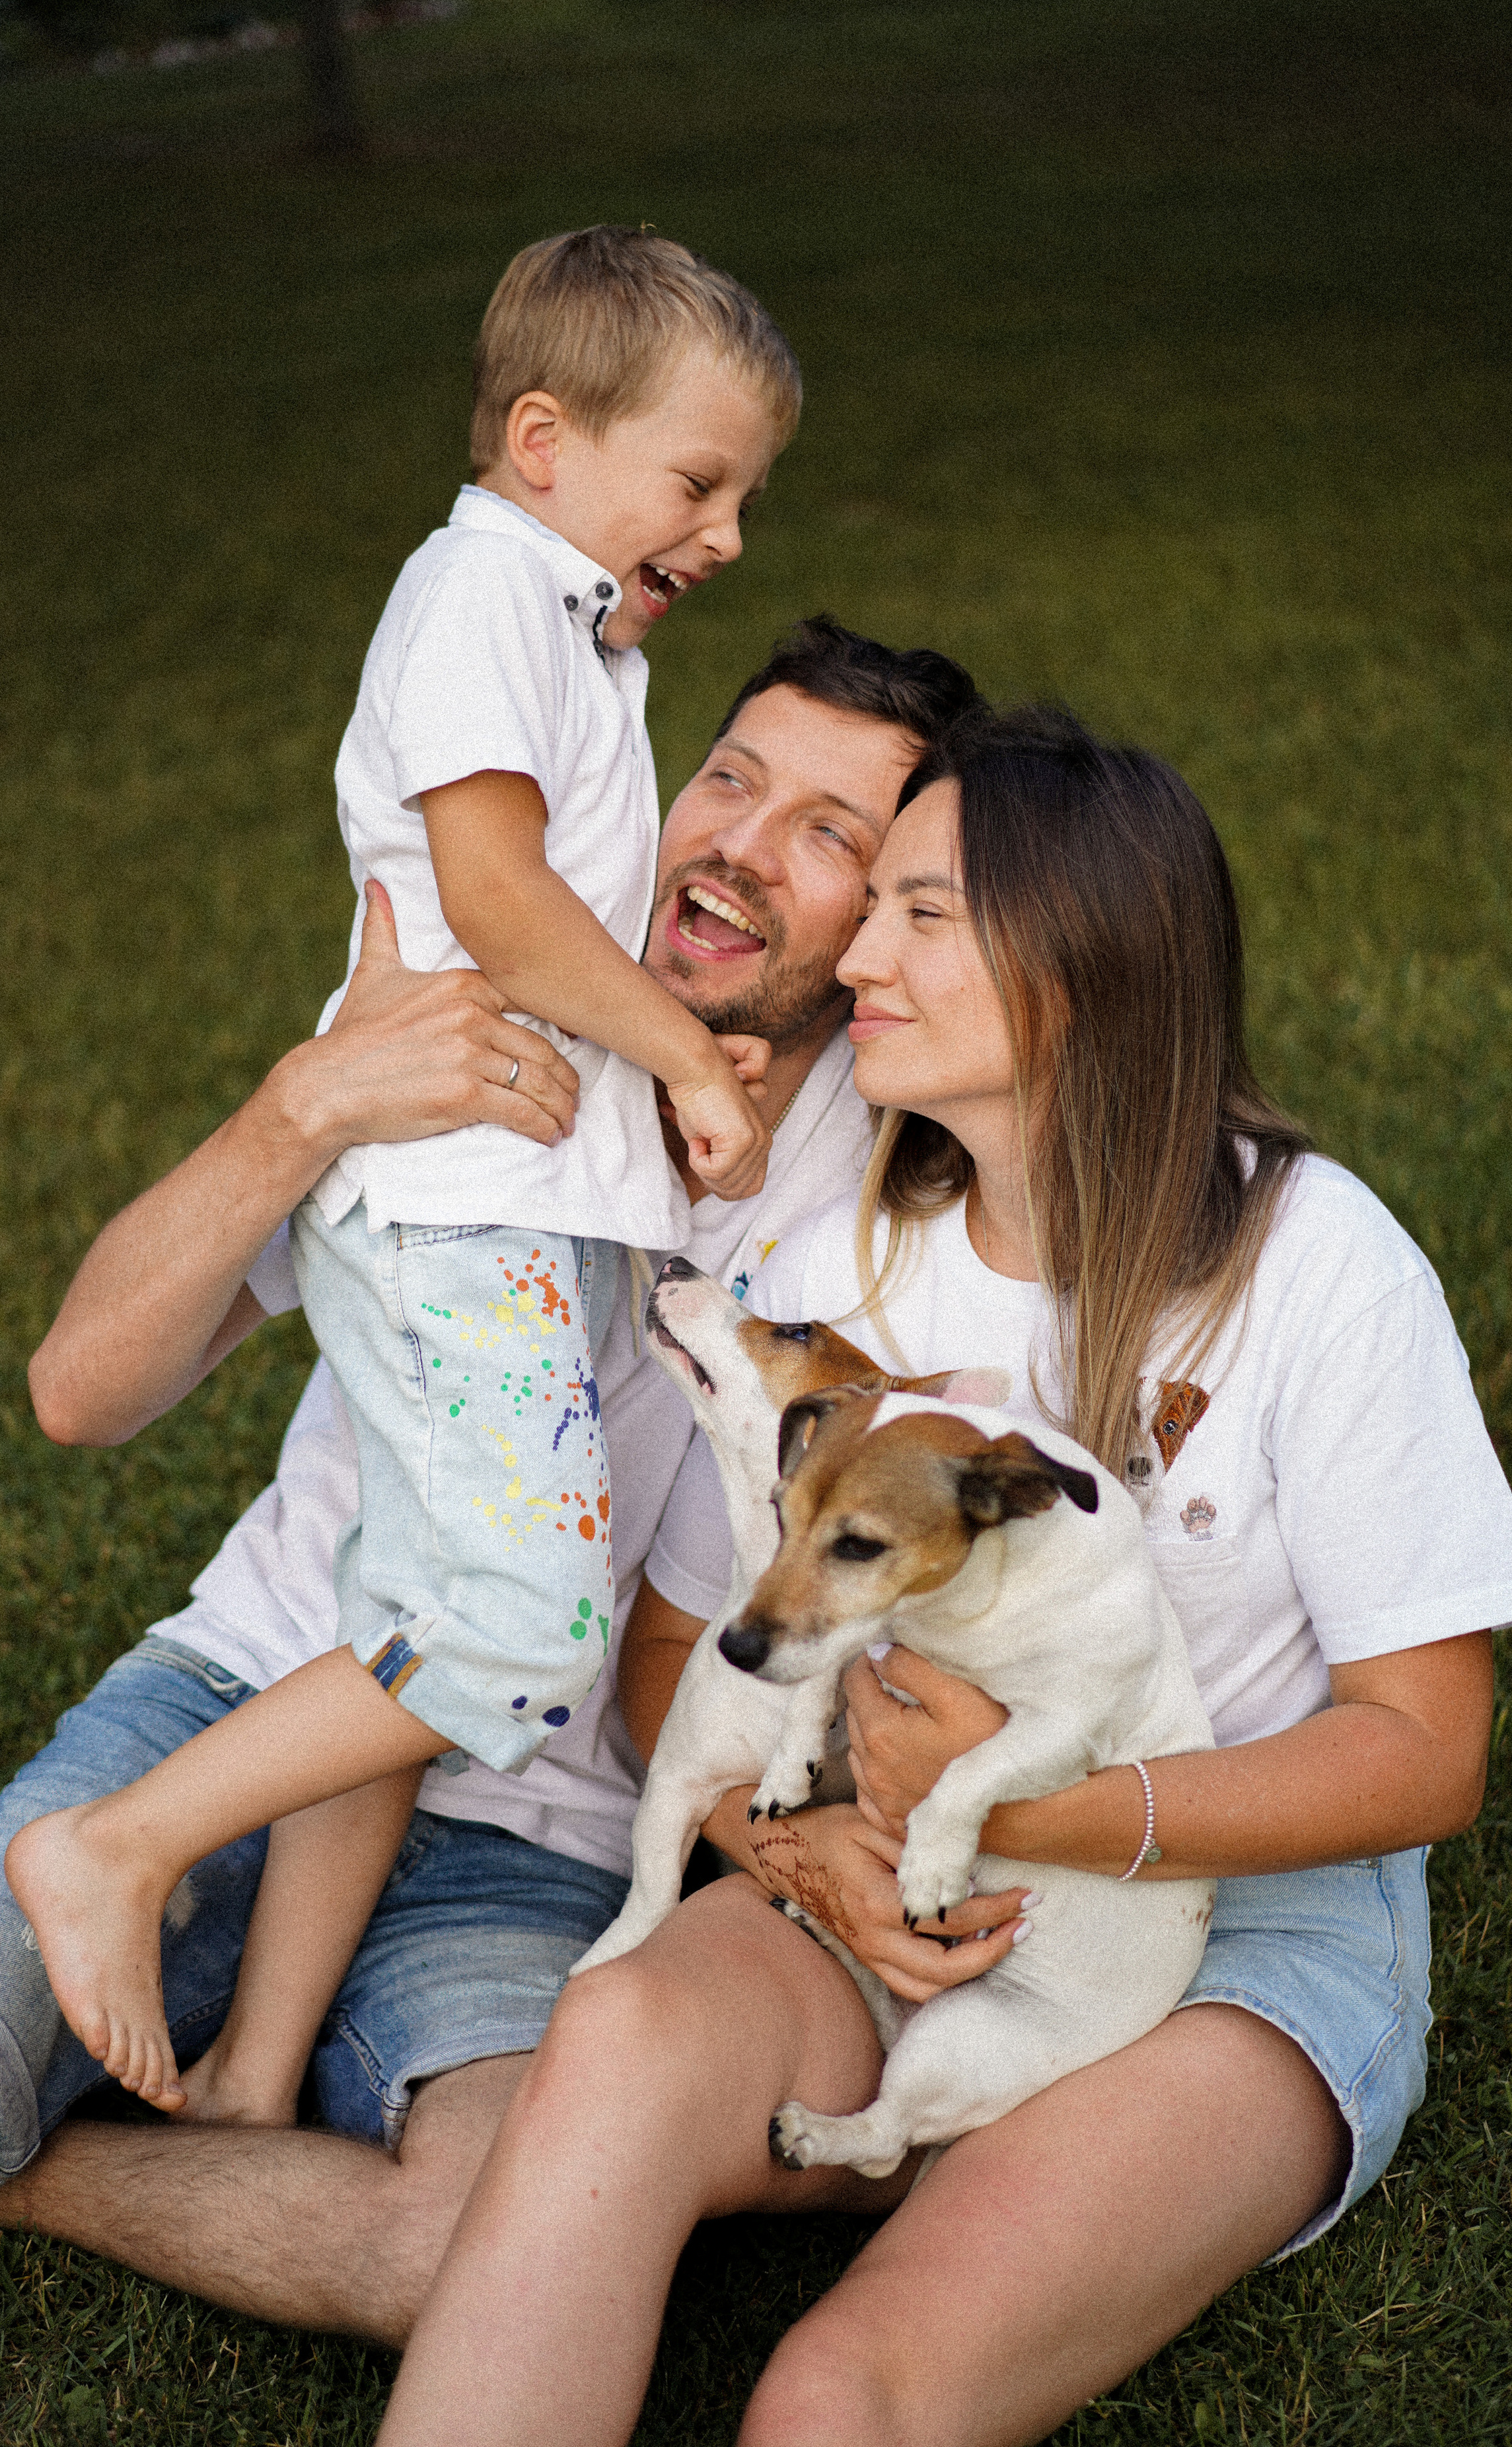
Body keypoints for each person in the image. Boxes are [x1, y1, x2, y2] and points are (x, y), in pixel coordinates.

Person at [0, 618, 983, 2351]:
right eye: (729, 778)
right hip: (255, 1704)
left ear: (888, 922)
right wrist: (308, 1105)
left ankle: (21, 2152)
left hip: (553, 1842)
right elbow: (80, 1389)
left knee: (486, 2252)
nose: (740, 843)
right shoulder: (496, 1022)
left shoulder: (908, 1196)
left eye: (830, 834)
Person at [377, 704, 1509, 2447]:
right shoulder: (838, 1266)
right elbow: (689, 1647)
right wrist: (802, 1849)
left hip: (1260, 1908)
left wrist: (1019, 1825)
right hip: (883, 1862)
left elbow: (1425, 1753)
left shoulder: (1319, 1264)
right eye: (874, 902)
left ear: (1084, 961)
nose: (858, 950)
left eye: (923, 913)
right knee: (607, 2046)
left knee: (842, 2393)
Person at [4, 224, 801, 2118]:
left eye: (748, 496)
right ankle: (113, 1850)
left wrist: (681, 1033)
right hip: (455, 1213)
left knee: (419, 1609)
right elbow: (502, 905)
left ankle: (263, 2067)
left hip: (505, 1210)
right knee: (519, 1628)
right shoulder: (476, 597)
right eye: (700, 483)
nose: (728, 535)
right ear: (546, 439)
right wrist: (680, 1053)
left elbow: (565, 916)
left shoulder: (564, 632)